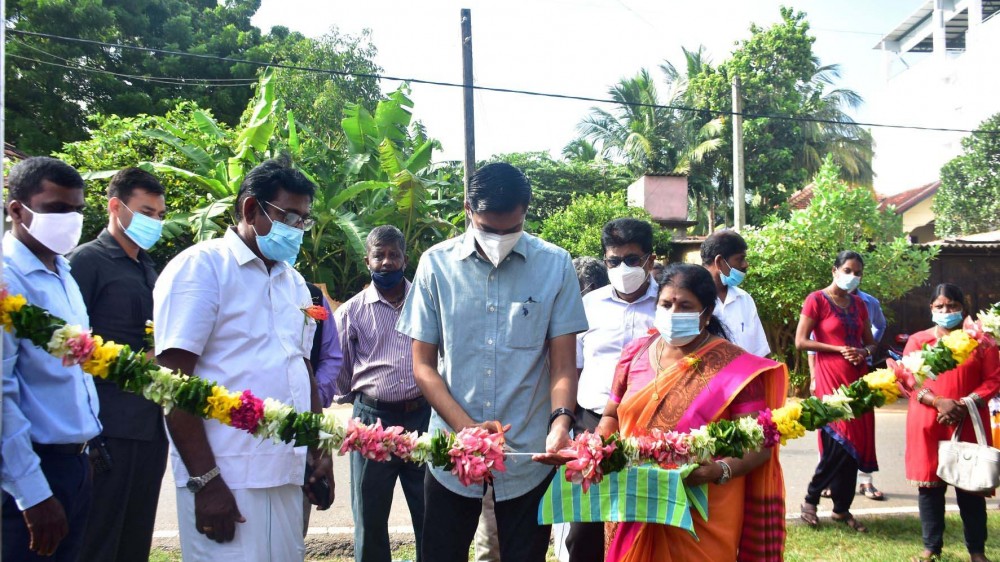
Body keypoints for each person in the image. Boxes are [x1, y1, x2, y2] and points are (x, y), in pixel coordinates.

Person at [397, 162, 588, 562]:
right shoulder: (436, 265)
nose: (499, 239)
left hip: (528, 457)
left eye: (510, 229)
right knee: (440, 554)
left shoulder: (554, 265)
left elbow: (563, 365)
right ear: (468, 209)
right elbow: (424, 366)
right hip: (452, 453)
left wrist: (560, 423)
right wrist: (468, 432)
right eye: (488, 228)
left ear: (525, 213)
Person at [153, 158, 333, 560]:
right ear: (252, 209)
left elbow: (301, 368)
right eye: (289, 216)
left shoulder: (295, 283)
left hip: (284, 472)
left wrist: (318, 451)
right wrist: (206, 480)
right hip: (226, 475)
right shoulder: (201, 268)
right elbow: (172, 380)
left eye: (304, 220)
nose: (297, 229)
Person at [594, 263, 787, 561]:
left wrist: (719, 470)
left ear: (707, 314)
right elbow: (611, 415)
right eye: (666, 304)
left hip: (703, 506)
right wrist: (600, 451)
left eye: (685, 306)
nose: (673, 313)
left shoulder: (735, 369)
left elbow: (759, 445)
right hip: (633, 498)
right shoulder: (635, 353)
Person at [2, 157, 101, 561]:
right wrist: (33, 494)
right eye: (57, 209)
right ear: (17, 210)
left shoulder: (64, 272)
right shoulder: (7, 279)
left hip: (74, 464)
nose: (70, 220)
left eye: (77, 209)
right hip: (30, 472)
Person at [68, 168, 169, 562]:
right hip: (106, 428)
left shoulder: (148, 268)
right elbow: (64, 347)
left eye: (160, 215)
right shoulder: (86, 263)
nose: (155, 222)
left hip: (149, 424)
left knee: (135, 537)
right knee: (98, 539)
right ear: (116, 206)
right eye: (147, 212)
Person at [334, 225, 430, 562]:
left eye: (393, 255)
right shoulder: (350, 312)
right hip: (372, 421)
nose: (386, 262)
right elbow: (341, 370)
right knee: (370, 514)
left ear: (405, 259)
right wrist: (361, 404)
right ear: (368, 260)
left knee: (429, 511)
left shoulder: (426, 304)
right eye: (380, 255)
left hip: (422, 418)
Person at [568, 218, 659, 562]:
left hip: (651, 428)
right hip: (592, 425)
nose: (623, 268)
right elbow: (573, 368)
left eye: (632, 260)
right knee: (584, 530)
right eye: (614, 261)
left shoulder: (667, 305)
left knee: (645, 524)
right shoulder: (588, 306)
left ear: (650, 260)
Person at [902, 284, 999, 562]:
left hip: (967, 418)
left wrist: (962, 403)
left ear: (963, 308)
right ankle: (931, 548)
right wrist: (937, 401)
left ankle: (977, 552)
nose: (946, 311)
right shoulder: (919, 341)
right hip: (928, 419)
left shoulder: (982, 341)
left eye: (953, 306)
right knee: (929, 486)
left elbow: (993, 379)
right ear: (931, 309)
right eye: (940, 307)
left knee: (971, 486)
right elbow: (907, 380)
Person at [795, 250, 877, 532]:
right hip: (830, 377)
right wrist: (838, 349)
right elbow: (801, 342)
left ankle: (842, 509)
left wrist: (862, 351)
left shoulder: (859, 304)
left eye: (858, 273)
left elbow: (871, 343)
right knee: (837, 443)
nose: (853, 277)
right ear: (835, 270)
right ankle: (811, 499)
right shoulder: (816, 300)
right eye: (848, 270)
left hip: (857, 379)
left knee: (852, 450)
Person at [700, 230, 769, 357]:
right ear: (719, 261)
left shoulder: (744, 299)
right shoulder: (694, 299)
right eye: (740, 259)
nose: (745, 264)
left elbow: (760, 352)